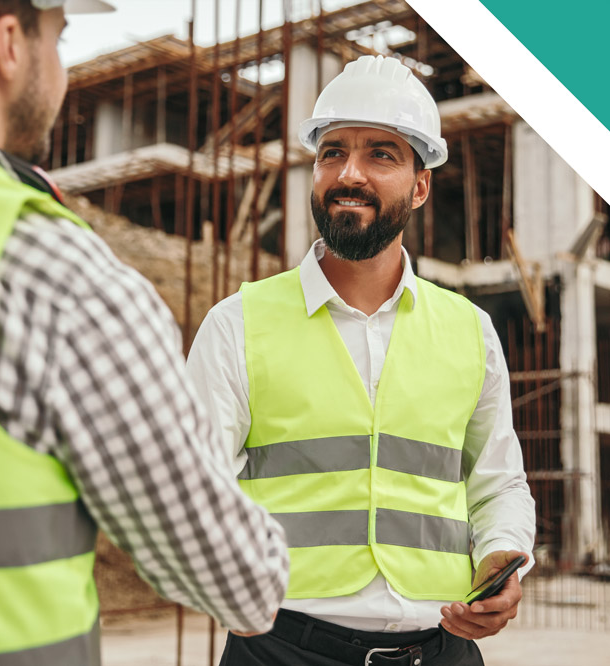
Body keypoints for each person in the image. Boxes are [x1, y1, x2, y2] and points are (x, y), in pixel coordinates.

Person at [0, 1, 288, 664]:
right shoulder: (49, 271)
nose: (61, 72)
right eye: (59, 39)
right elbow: (240, 582)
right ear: (7, 44)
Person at [187, 55, 536, 666]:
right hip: (280, 649)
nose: (350, 173)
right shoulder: (238, 324)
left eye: (381, 153)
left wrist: (503, 555)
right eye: (332, 152)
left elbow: (497, 481)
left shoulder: (469, 331)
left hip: (443, 650)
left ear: (420, 185)